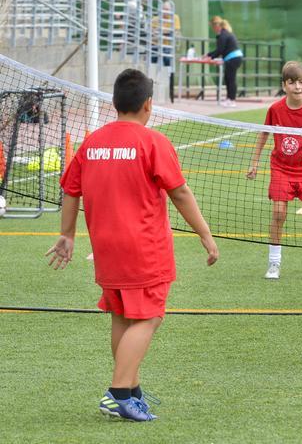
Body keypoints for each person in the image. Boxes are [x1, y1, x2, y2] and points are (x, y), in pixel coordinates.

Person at [46, 69, 219, 421]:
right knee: (150, 317)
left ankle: (132, 389)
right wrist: (204, 233)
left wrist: (67, 233)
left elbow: (70, 189)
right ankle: (118, 393)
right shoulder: (153, 141)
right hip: (144, 247)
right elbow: (180, 192)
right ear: (148, 104)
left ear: (114, 103)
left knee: (123, 316)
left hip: (106, 247)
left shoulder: (91, 142)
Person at [247, 61, 302, 280]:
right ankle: (274, 263)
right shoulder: (275, 110)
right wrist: (254, 162)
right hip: (281, 169)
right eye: (292, 82)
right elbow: (263, 135)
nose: (297, 86)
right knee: (278, 213)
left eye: (301, 82)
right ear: (284, 85)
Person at [206, 16, 243, 108]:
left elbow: (220, 50)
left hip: (233, 59)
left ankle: (232, 100)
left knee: (231, 79)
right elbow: (220, 50)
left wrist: (210, 56)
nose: (213, 29)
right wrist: (209, 55)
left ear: (217, 26)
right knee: (228, 79)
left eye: (213, 26)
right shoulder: (223, 34)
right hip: (233, 58)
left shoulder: (223, 35)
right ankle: (229, 99)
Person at [151, 1, 179, 67]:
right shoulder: (155, 19)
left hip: (167, 44)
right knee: (153, 61)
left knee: (167, 61)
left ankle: (169, 75)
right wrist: (165, 31)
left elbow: (175, 31)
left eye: (167, 9)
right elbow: (152, 31)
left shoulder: (175, 17)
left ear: (171, 10)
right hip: (155, 43)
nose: (165, 11)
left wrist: (160, 31)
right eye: (163, 9)